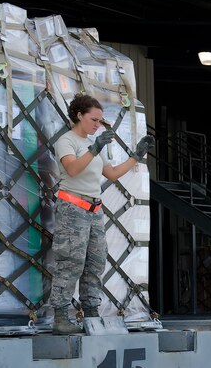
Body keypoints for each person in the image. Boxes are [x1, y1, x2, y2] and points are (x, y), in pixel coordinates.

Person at [50, 93, 154, 334]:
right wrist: (94, 148)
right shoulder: (67, 141)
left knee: (95, 263)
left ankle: (91, 312)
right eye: (94, 120)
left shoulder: (96, 145)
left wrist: (136, 157)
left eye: (100, 121)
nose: (98, 125)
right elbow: (73, 170)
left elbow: (112, 174)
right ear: (79, 116)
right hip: (72, 208)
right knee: (71, 262)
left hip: (94, 210)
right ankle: (61, 316)